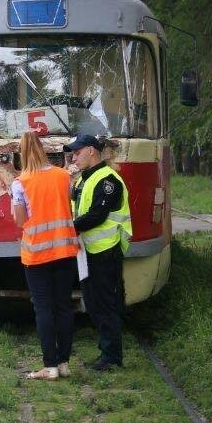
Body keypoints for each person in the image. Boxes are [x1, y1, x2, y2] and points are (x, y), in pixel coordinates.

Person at [11, 131, 80, 380]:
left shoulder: (20, 183)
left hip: (37, 254)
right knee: (63, 307)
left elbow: (20, 221)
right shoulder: (64, 176)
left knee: (43, 309)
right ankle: (64, 363)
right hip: (65, 251)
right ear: (42, 149)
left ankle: (49, 366)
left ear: (21, 152)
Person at [66, 133, 132, 371]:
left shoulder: (108, 180)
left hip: (106, 252)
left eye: (77, 152)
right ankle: (106, 352)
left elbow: (97, 215)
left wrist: (66, 229)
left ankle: (112, 358)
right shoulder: (83, 179)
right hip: (88, 252)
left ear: (91, 151)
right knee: (94, 304)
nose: (74, 157)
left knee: (105, 305)